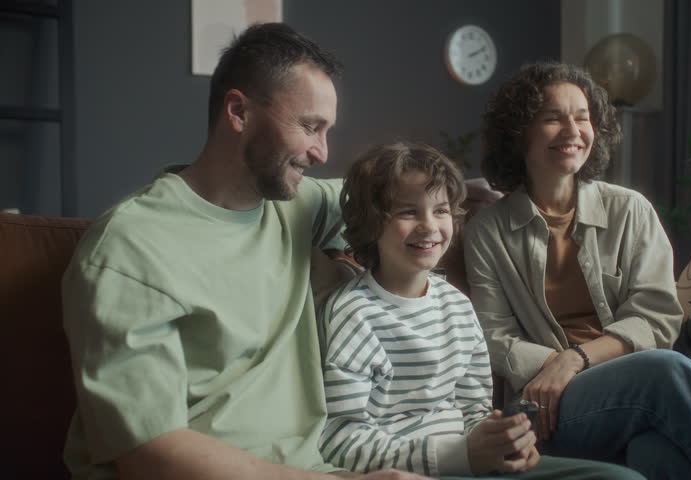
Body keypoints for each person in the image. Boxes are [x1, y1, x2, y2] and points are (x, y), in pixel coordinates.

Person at [62, 23, 428, 480]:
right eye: (310, 126)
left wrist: (468, 193)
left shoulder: (296, 205)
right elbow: (150, 456)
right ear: (238, 111)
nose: (322, 152)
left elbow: (397, 198)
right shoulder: (130, 247)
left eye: (327, 130)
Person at [462, 61, 691, 479]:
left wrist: (576, 359)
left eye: (582, 117)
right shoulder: (488, 230)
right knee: (665, 369)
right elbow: (494, 336)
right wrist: (559, 367)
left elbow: (656, 316)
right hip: (551, 407)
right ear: (518, 132)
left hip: (629, 390)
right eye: (553, 118)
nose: (572, 131)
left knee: (655, 455)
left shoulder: (630, 210)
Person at [318, 141, 644, 480]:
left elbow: (474, 413)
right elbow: (341, 441)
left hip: (475, 466)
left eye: (440, 210)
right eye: (408, 212)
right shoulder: (353, 313)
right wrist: (458, 456)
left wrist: (504, 442)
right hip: (416, 472)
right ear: (371, 223)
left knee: (623, 479)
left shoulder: (457, 305)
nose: (429, 226)